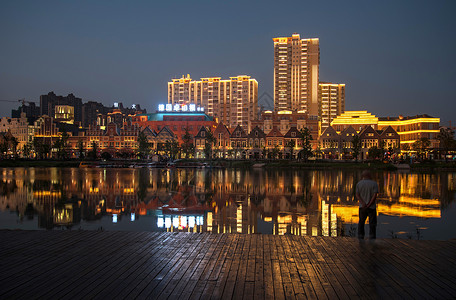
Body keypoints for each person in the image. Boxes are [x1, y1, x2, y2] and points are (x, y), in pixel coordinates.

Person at [356, 170, 379, 239]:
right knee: (372, 224)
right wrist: (369, 204)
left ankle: (360, 237)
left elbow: (357, 195)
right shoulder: (374, 184)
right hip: (371, 207)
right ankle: (372, 237)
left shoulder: (359, 184)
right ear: (369, 175)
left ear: (363, 176)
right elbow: (374, 196)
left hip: (362, 207)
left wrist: (363, 203)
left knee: (361, 222)